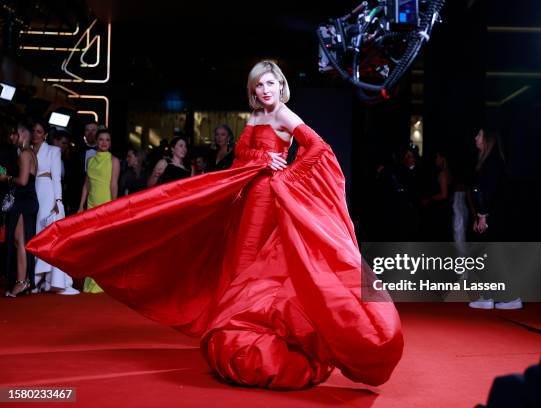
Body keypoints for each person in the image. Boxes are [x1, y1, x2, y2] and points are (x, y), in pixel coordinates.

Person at [27, 60, 403, 389]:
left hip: (269, 201)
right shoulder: (254, 117)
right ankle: (233, 328)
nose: (265, 89)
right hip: (243, 202)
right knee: (236, 265)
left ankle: (257, 332)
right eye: (259, 84)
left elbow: (319, 150)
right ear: (253, 89)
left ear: (281, 86)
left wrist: (286, 175)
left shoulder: (285, 116)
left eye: (271, 82)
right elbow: (243, 163)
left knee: (258, 271)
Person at [468, 129, 522, 310]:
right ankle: (489, 295)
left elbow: (489, 191)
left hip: (497, 216)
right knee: (486, 256)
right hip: (492, 214)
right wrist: (480, 215)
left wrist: (483, 215)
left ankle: (511, 297)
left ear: (487, 139)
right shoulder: (487, 161)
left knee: (494, 256)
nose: (475, 138)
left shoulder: (493, 162)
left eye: (479, 135)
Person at [31, 120, 78, 295]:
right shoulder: (25, 150)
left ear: (45, 134)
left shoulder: (54, 150)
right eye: (34, 131)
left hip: (47, 194)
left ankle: (47, 280)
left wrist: (58, 201)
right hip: (30, 193)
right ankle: (36, 279)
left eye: (39, 131)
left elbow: (57, 178)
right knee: (34, 234)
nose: (36, 134)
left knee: (46, 234)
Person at [78, 128, 120, 293]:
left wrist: (114, 206)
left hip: (106, 205)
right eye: (101, 139)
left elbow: (114, 184)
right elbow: (86, 185)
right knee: (92, 245)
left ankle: (103, 282)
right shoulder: (90, 161)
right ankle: (91, 280)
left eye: (107, 140)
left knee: (104, 244)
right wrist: (81, 206)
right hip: (91, 205)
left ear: (110, 143)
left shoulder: (114, 161)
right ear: (96, 141)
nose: (104, 142)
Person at [1, 121, 38, 297]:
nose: (12, 137)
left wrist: (5, 178)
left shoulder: (24, 154)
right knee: (20, 241)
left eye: (14, 133)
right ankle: (23, 280)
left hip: (24, 200)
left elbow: (22, 181)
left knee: (20, 242)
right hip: (26, 200)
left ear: (23, 134)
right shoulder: (29, 152)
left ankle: (22, 282)